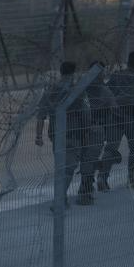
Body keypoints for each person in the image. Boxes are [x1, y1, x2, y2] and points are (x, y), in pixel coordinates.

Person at [35, 62, 98, 205]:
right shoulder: (78, 90)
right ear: (73, 73)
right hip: (73, 134)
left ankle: (60, 198)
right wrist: (86, 132)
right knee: (69, 169)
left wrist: (38, 136)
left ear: (61, 72)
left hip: (56, 135)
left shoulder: (51, 90)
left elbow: (41, 115)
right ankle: (59, 200)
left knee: (60, 168)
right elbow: (86, 113)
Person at [105, 51, 134, 189]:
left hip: (116, 116)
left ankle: (101, 178)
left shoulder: (117, 75)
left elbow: (107, 92)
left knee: (111, 148)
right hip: (131, 117)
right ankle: (133, 178)